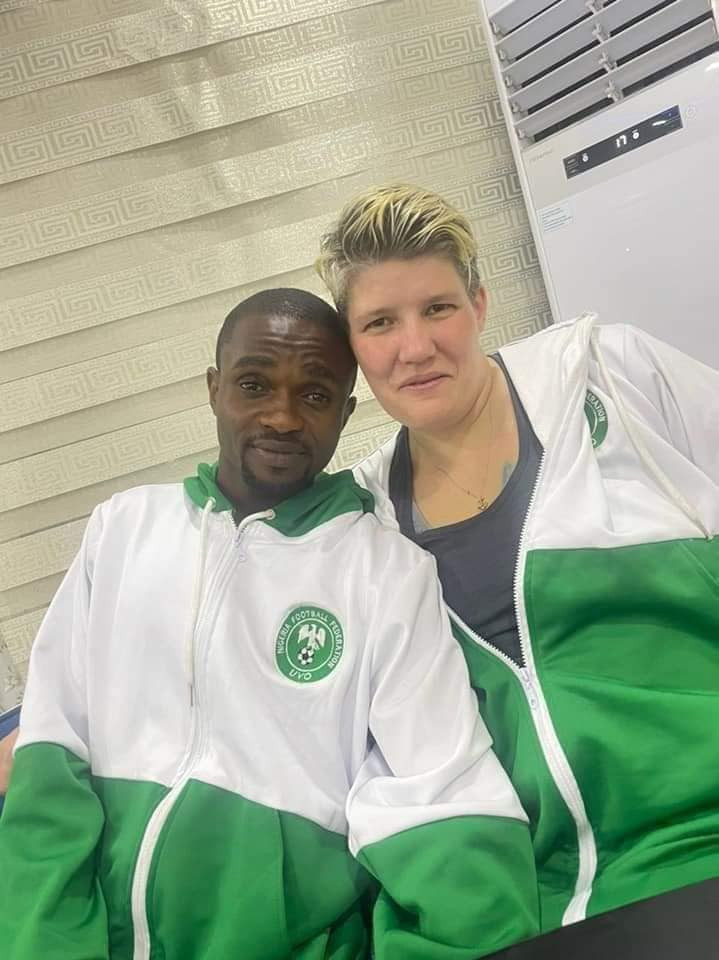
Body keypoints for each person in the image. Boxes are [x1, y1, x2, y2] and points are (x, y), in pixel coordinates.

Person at [0, 289, 538, 960]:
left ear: (344, 413)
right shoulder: (124, 530)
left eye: (314, 395)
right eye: (254, 385)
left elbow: (443, 794)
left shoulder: (385, 573)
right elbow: (51, 753)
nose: (281, 417)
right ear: (214, 388)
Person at [315, 184, 719, 956]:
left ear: (477, 304)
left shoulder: (609, 376)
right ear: (354, 349)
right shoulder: (364, 521)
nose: (413, 347)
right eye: (379, 323)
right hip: (548, 895)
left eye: (436, 308)